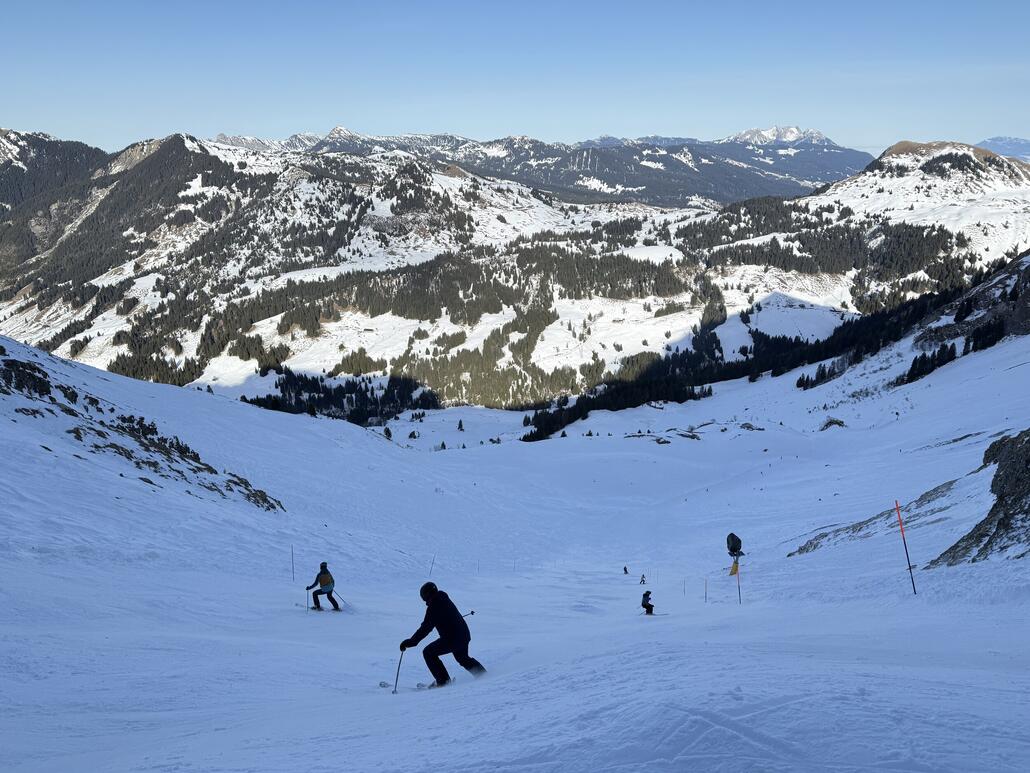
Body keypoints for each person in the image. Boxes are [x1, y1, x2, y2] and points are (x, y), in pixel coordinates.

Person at [399, 582, 486, 688]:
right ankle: (483, 676)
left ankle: (443, 682)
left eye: (424, 598)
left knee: (428, 653)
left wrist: (411, 642)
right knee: (463, 658)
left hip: (452, 638)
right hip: (463, 635)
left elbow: (426, 628)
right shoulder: (443, 597)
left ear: (427, 595)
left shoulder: (434, 607)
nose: (425, 602)